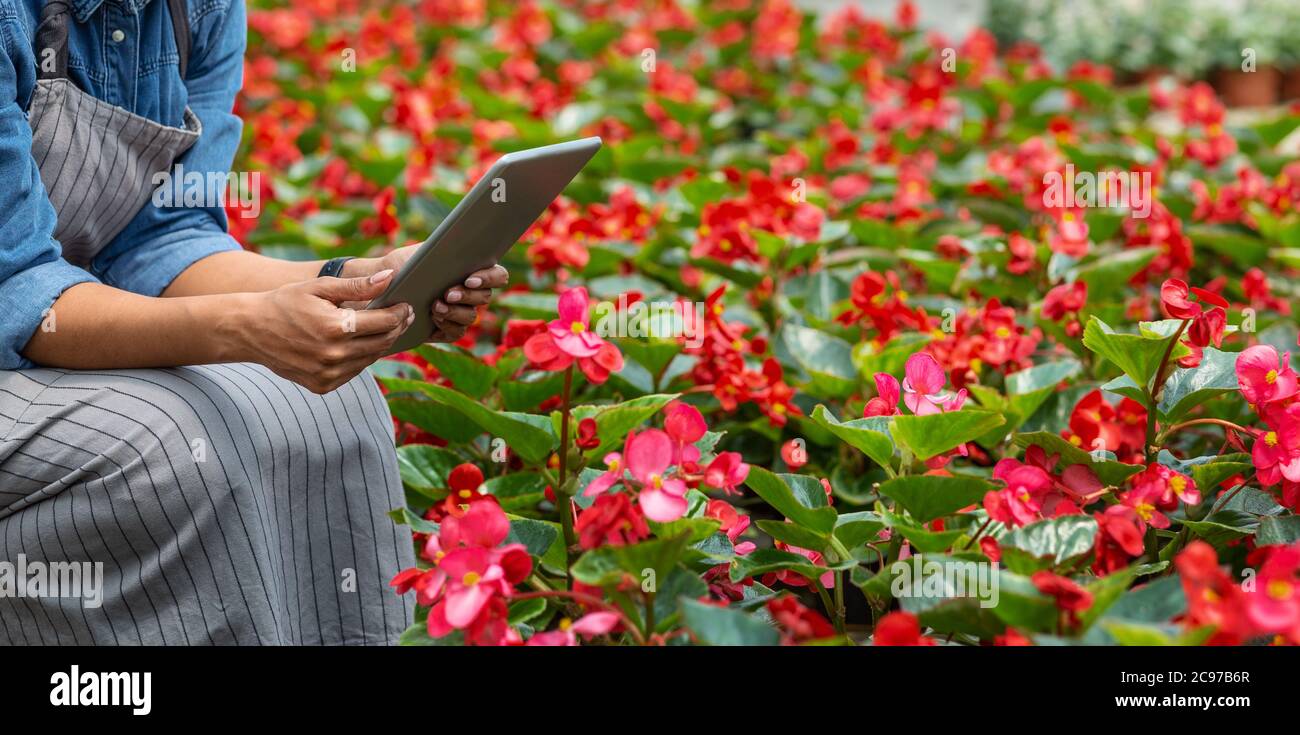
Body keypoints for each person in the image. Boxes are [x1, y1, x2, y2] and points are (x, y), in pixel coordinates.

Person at [0, 0, 503, 644]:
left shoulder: (200, 9)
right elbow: (19, 292)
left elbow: (163, 240)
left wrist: (363, 279)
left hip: (62, 330)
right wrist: (245, 328)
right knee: (169, 446)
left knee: (333, 403)